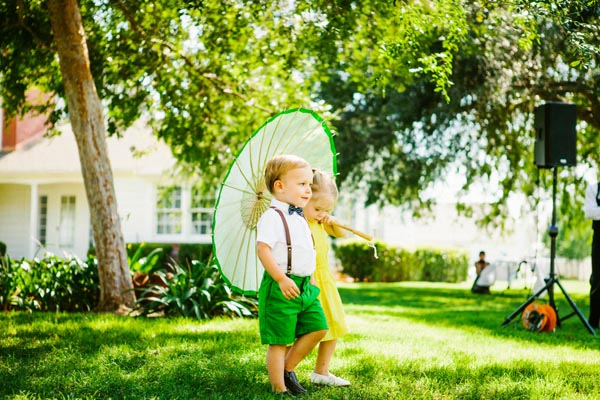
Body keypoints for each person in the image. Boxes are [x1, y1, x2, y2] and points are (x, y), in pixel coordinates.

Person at [256, 154, 328, 397]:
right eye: (302, 184)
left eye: (309, 184)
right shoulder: (272, 217)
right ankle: (279, 388)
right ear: (280, 186)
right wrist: (280, 278)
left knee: (318, 328)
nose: (308, 190)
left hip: (305, 286)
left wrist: (312, 280)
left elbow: (305, 251)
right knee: (279, 340)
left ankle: (288, 368)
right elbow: (263, 249)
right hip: (281, 286)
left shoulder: (299, 216)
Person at [303, 170, 351, 387]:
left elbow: (342, 234)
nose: (322, 213)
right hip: (308, 279)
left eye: (327, 209)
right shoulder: (299, 222)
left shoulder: (320, 221)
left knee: (333, 323)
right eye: (318, 208)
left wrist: (333, 220)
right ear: (303, 198)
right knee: (303, 327)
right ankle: (286, 367)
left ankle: (321, 370)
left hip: (325, 278)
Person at [583, 181, 600, 329]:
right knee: (597, 280)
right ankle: (593, 321)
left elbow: (596, 212)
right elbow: (589, 212)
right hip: (599, 240)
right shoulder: (594, 188)